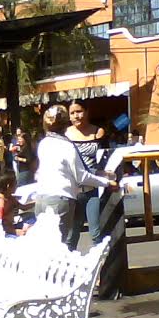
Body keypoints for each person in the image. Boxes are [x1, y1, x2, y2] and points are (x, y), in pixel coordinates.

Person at [33, 105, 114, 245]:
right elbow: (81, 176)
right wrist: (106, 182)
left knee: (46, 244)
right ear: (66, 123)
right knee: (60, 245)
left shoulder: (44, 143)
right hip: (60, 199)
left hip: (41, 198)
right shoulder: (66, 146)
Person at [66, 100, 107, 250]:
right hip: (72, 192)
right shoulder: (64, 135)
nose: (76, 116)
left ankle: (101, 269)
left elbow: (105, 159)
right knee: (71, 235)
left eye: (79, 111)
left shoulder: (98, 132)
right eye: (72, 113)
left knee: (96, 233)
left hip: (93, 190)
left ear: (87, 112)